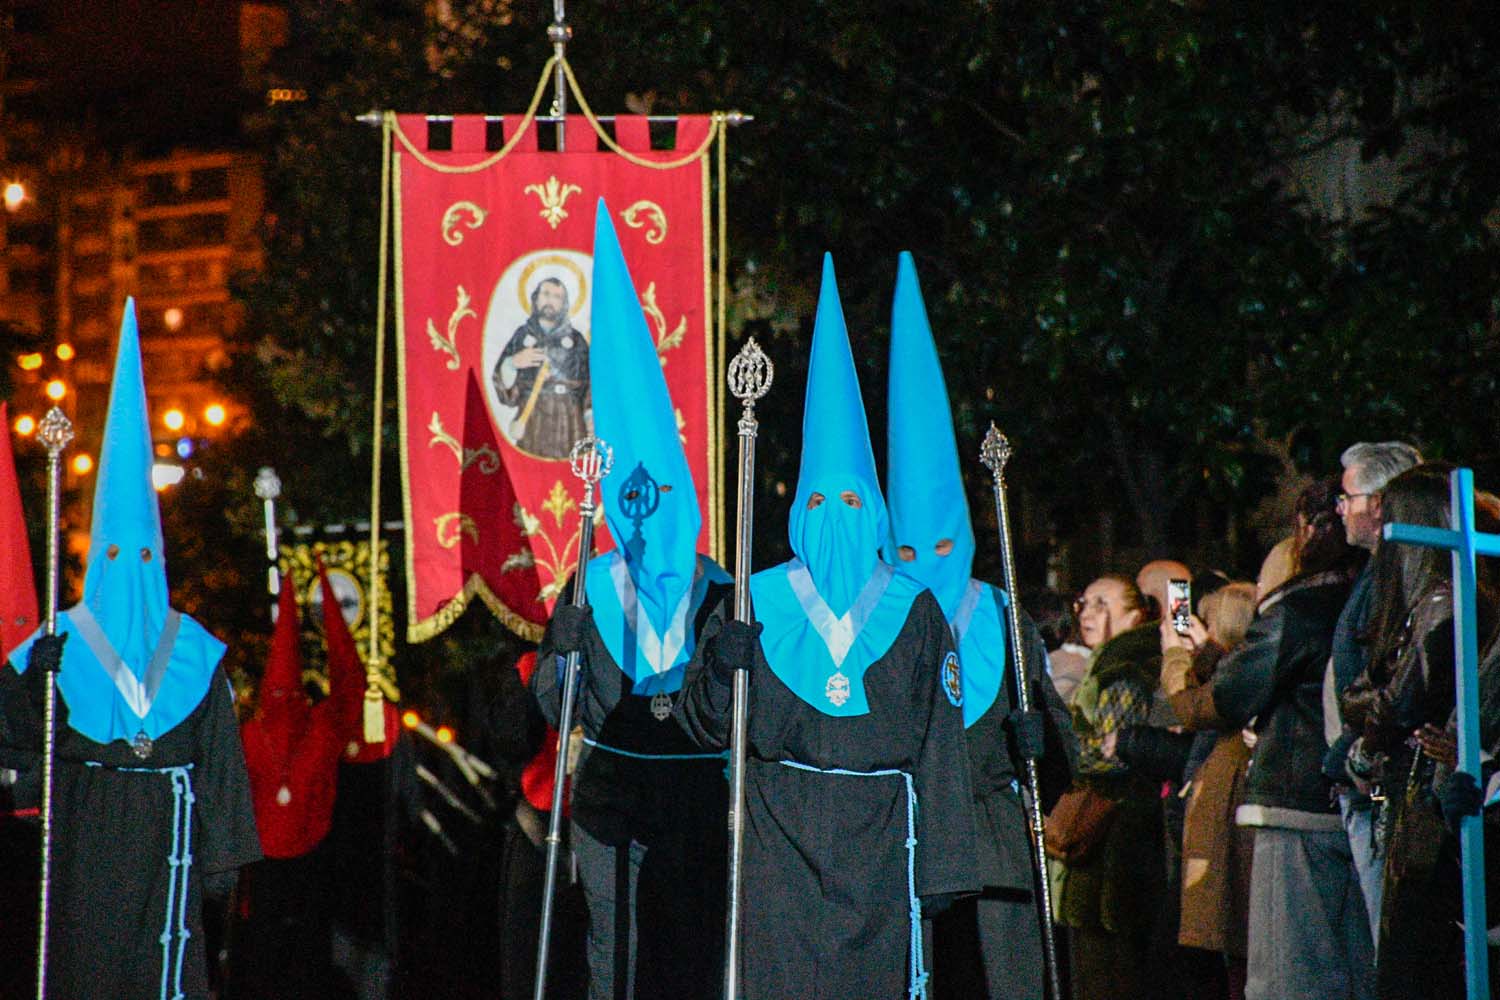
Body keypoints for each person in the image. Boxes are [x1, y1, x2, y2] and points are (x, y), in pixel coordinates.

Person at [682, 254, 979, 1000]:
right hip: (775, 841)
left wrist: (943, 866)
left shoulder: (913, 611)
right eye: (818, 504)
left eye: (850, 503)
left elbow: (940, 741)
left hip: (884, 842)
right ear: (794, 512)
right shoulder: (751, 602)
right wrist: (723, 665)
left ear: (875, 512)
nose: (834, 522)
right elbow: (702, 724)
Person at [1, 299, 261, 999]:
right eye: (115, 554)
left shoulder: (195, 653)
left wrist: (222, 861)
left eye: (140, 553)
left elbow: (222, 760)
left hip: (169, 843)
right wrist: (31, 686)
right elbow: (21, 750)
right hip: (86, 840)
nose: (129, 566)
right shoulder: (54, 644)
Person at [530, 203, 731, 999]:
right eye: (631, 497)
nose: (647, 514)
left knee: (693, 957)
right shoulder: (589, 583)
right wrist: (564, 648)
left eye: (661, 494)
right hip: (612, 810)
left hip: (698, 806)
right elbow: (559, 707)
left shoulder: (723, 589)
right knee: (614, 961)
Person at [882, 252, 1078, 998]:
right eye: (907, 549)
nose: (926, 566)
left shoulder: (1001, 611)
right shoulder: (874, 620)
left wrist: (1046, 745)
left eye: (939, 548)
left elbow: (1063, 748)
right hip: (905, 854)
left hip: (997, 856)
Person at [1169, 477, 1370, 1000]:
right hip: (1360, 795)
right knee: (1355, 964)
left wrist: (1183, 663)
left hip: (1297, 798)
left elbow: (1233, 695)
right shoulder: (1371, 591)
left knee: (1289, 970)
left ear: (1308, 530)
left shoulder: (1304, 606)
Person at [1339, 465, 1500, 998]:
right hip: (1421, 798)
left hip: (1435, 806)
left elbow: (1395, 705)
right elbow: (1364, 696)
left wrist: (1370, 715)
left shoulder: (1447, 602)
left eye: (1391, 516)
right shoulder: (1428, 601)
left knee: (1423, 960)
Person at [1129, 581, 1258, 1000]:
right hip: (1196, 839)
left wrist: (1176, 653)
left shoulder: (1238, 680)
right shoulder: (1219, 667)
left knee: (1210, 969)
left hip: (1218, 843)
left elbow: (1190, 711)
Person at [1322, 440, 1423, 941]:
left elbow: (1390, 675)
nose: (1339, 509)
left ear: (1380, 502)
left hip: (1385, 780)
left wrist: (1358, 751)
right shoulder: (1378, 570)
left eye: (1347, 497)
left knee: (1396, 938)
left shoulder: (1402, 572)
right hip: (1368, 774)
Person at [231, 580, 348, 998]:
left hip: (275, 859)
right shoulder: (313, 733)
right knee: (294, 948)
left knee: (274, 947)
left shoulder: (252, 734)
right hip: (297, 857)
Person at [1053, 573, 1165, 1000]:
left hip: (1111, 832)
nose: (1088, 612)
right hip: (1108, 834)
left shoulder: (1124, 665)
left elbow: (1115, 749)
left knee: (1109, 965)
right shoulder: (1109, 660)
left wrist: (1063, 753)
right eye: (1085, 601)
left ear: (1136, 614)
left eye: (1104, 603)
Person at [492, 275, 592, 459]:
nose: (550, 301)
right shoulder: (522, 336)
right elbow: (502, 382)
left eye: (557, 297)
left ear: (564, 304)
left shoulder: (576, 340)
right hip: (533, 416)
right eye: (546, 294)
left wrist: (589, 417)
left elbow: (590, 382)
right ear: (536, 299)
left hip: (569, 418)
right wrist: (513, 363)